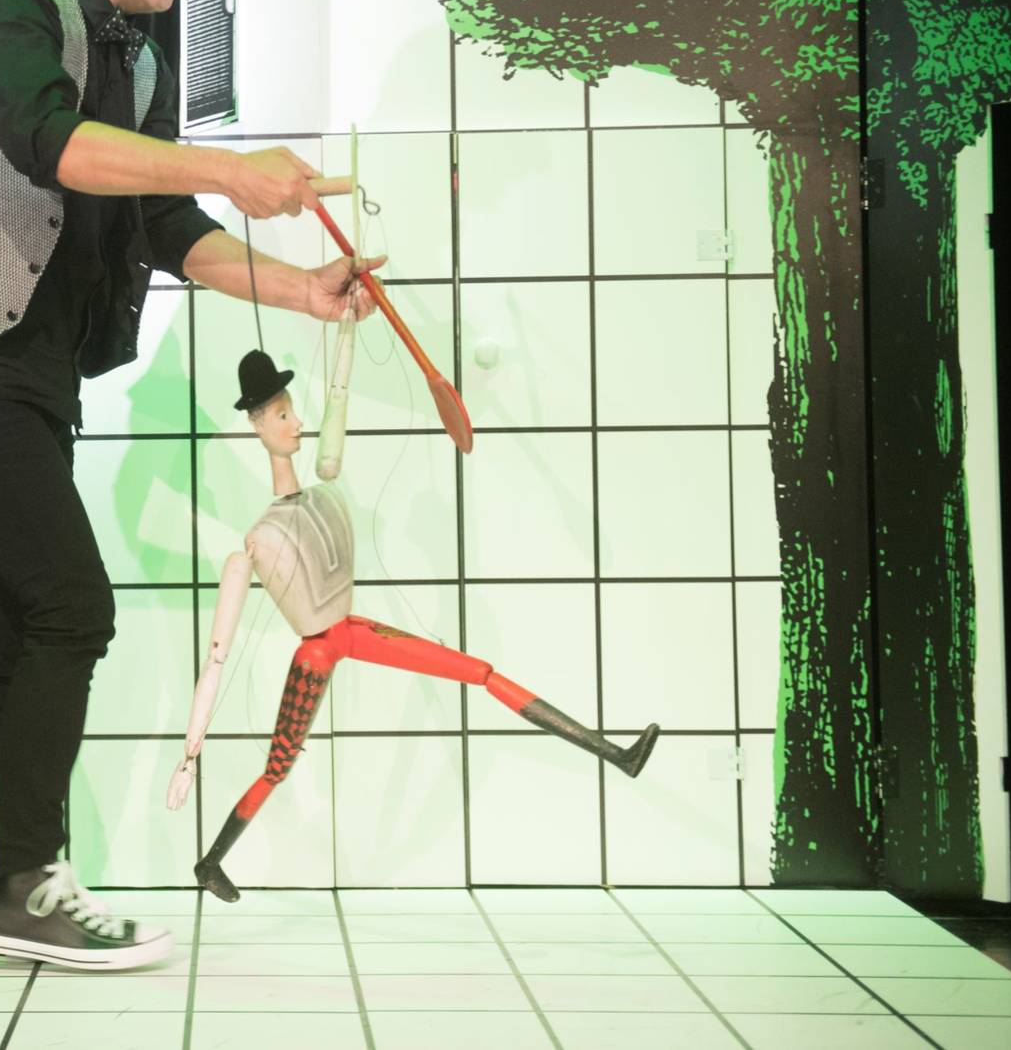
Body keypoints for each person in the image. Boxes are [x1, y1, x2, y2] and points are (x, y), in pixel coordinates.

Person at [0, 0, 375, 971]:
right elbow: (54, 143)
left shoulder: (143, 61)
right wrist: (232, 167)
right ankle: (25, 885)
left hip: (33, 374)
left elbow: (163, 224)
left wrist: (304, 288)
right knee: (72, 608)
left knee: (4, 628)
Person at [167, 333, 661, 903]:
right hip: (316, 653)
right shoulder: (255, 540)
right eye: (281, 415)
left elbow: (338, 394)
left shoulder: (323, 494)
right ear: (256, 425)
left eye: (292, 409)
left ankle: (615, 754)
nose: (297, 422)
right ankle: (211, 862)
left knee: (479, 671)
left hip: (351, 631)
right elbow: (217, 657)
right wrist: (190, 755)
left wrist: (347, 324)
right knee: (278, 768)